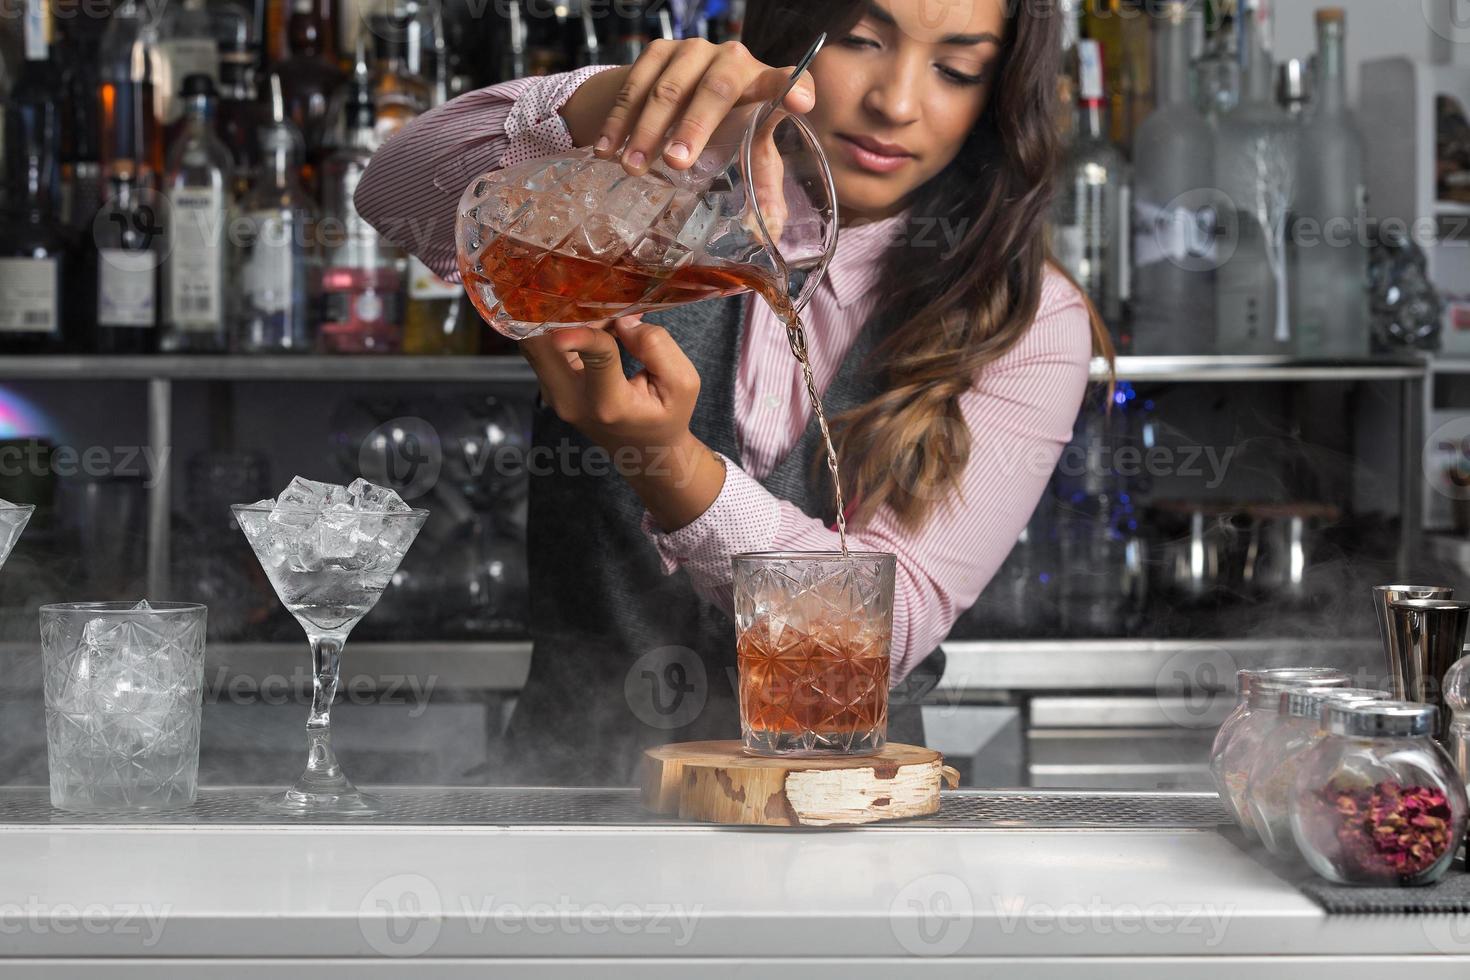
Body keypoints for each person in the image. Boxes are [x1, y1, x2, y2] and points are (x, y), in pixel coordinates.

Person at [357, 0, 1111, 784]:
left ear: (997, 99)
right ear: (792, 34)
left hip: (837, 825)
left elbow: (881, 633)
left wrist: (666, 464)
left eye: (957, 70)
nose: (896, 101)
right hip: (569, 804)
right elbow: (395, 193)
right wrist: (618, 105)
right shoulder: (642, 199)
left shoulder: (1024, 318)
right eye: (860, 42)